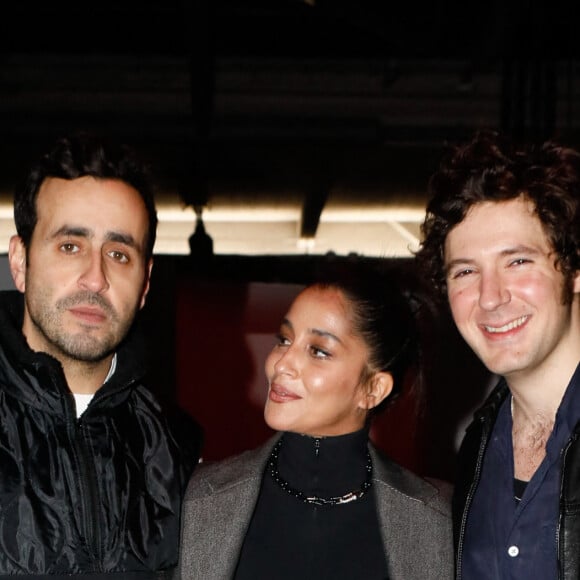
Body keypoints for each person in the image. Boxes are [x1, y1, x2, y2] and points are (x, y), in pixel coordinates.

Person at [0, 132, 201, 578]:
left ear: (146, 282)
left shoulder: (180, 452)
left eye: (119, 253)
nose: (96, 278)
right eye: (70, 246)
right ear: (20, 261)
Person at [175, 261, 453, 579]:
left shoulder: (438, 519)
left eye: (318, 351)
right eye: (283, 339)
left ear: (373, 389)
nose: (282, 363)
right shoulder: (196, 497)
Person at [415, 129, 580, 579]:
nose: (490, 297)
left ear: (573, 270)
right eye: (465, 271)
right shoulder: (477, 445)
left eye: (518, 261)